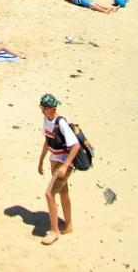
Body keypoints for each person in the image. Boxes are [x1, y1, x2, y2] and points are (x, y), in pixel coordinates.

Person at [37, 93, 80, 246]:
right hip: (54, 162)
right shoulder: (46, 120)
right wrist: (41, 160)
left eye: (45, 109)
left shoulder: (61, 123)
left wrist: (65, 165)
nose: (42, 112)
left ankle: (54, 231)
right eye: (41, 109)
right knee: (63, 192)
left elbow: (75, 145)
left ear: (53, 108)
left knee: (49, 194)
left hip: (63, 165)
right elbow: (47, 141)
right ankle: (68, 226)